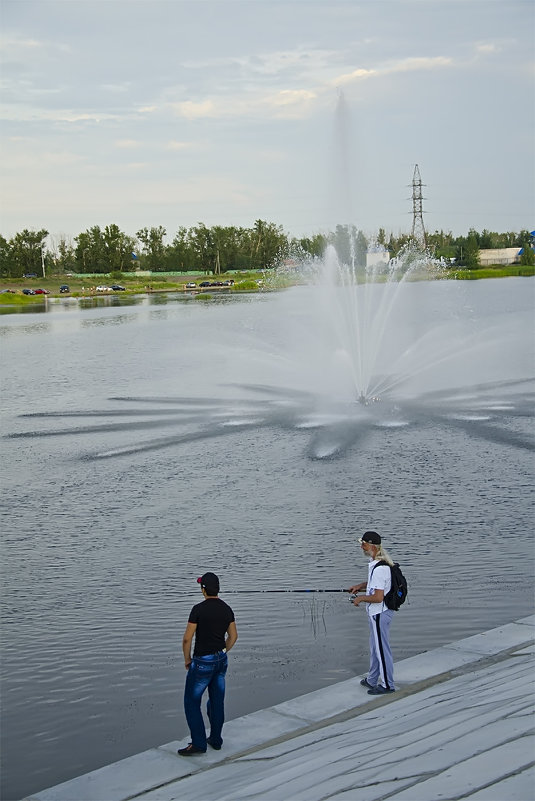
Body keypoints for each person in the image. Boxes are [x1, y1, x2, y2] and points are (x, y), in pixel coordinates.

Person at [178, 572, 238, 756]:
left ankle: (198, 744)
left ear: (203, 589)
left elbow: (187, 639)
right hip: (221, 660)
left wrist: (187, 659)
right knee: (217, 701)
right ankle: (216, 740)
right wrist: (222, 653)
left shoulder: (198, 609)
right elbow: (233, 636)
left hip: (202, 662)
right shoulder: (227, 609)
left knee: (191, 702)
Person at [348, 531, 396, 695]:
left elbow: (378, 597)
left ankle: (388, 685)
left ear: (372, 546)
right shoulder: (377, 563)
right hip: (378, 613)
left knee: (382, 649)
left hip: (379, 614)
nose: (361, 546)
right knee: (375, 647)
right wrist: (361, 586)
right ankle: (372, 679)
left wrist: (360, 599)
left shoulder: (380, 568)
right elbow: (376, 585)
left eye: (363, 543)